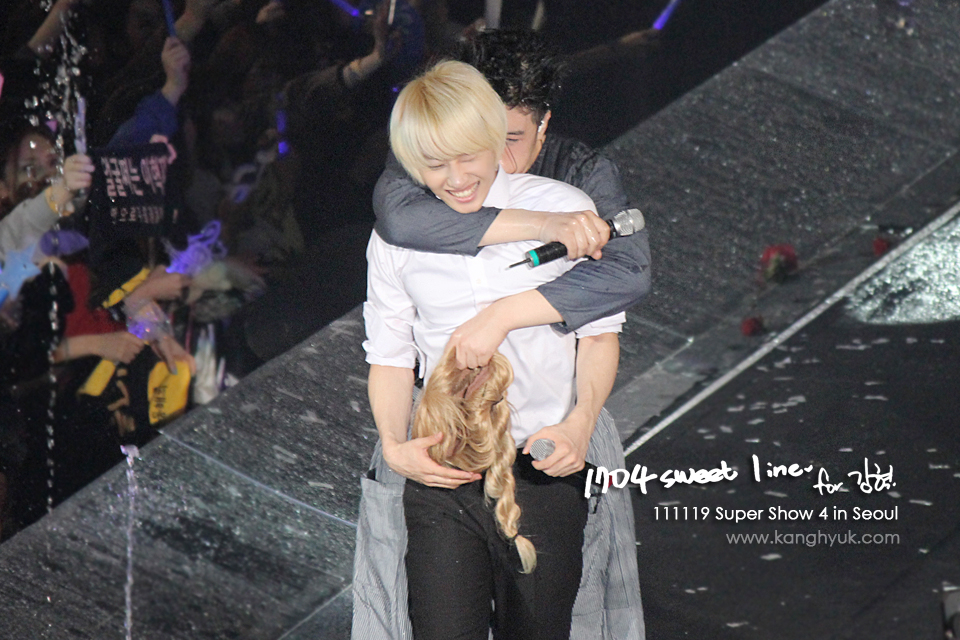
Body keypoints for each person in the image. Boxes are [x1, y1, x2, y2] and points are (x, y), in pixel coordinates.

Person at [354, 29, 646, 640]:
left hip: (542, 463)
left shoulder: (571, 194)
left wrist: (579, 425)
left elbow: (602, 328)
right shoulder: (399, 228)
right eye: (435, 163)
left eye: (472, 155)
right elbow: (389, 353)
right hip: (442, 467)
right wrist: (396, 445)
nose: (457, 177)